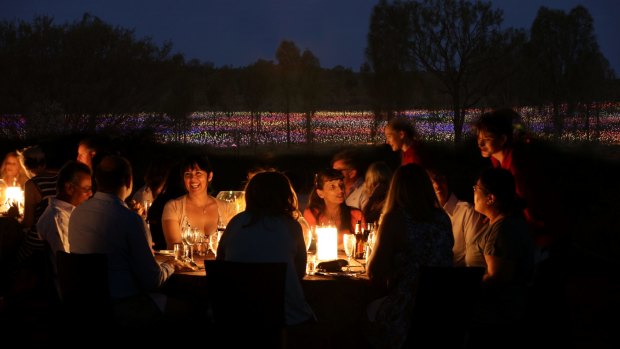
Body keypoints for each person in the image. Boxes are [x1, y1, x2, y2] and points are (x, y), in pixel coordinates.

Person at [68, 155, 184, 326]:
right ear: (129, 181)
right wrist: (172, 264)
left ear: (97, 181)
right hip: (123, 307)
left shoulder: (76, 213)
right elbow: (152, 281)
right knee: (191, 310)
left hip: (86, 306)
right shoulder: (130, 220)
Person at [366, 163, 453, 349]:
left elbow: (376, 270)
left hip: (409, 308)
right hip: (444, 307)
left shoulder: (395, 219)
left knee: (363, 313)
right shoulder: (443, 218)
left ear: (395, 189)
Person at [216, 171, 315, 325]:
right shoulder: (291, 226)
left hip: (234, 310)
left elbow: (220, 263)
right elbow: (300, 272)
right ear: (286, 195)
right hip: (283, 313)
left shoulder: (236, 222)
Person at [475, 108, 557, 249]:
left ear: (502, 139)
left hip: (540, 233)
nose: (480, 144)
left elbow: (528, 206)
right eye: (479, 138)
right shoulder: (497, 162)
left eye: (486, 139)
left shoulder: (516, 167)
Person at [467, 168, 535, 327]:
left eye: (477, 188)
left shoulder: (503, 230)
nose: (474, 192)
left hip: (496, 317)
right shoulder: (496, 223)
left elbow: (495, 278)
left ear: (490, 198)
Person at [36, 161, 92, 286]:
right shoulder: (58, 218)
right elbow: (67, 263)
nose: (90, 194)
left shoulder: (69, 214)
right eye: (86, 189)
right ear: (69, 188)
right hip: (70, 288)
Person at [162, 155, 229, 249]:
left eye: (198, 173)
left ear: (209, 176)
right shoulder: (173, 207)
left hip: (218, 264)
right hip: (185, 264)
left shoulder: (226, 208)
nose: (193, 179)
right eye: (188, 174)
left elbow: (233, 244)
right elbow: (174, 246)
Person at [428, 167, 487, 267]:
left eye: (440, 179)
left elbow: (473, 260)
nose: (437, 186)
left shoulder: (466, 212)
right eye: (430, 182)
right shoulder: (426, 216)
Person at [303, 168, 364, 248]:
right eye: (332, 187)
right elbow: (311, 244)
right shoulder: (312, 213)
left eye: (341, 185)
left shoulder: (356, 214)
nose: (340, 190)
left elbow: (362, 243)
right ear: (320, 193)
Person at [18, 145, 58, 230]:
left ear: (25, 166)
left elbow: (28, 223)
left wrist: (16, 218)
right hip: (59, 236)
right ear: (44, 163)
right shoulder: (60, 177)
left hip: (40, 238)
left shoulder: (32, 184)